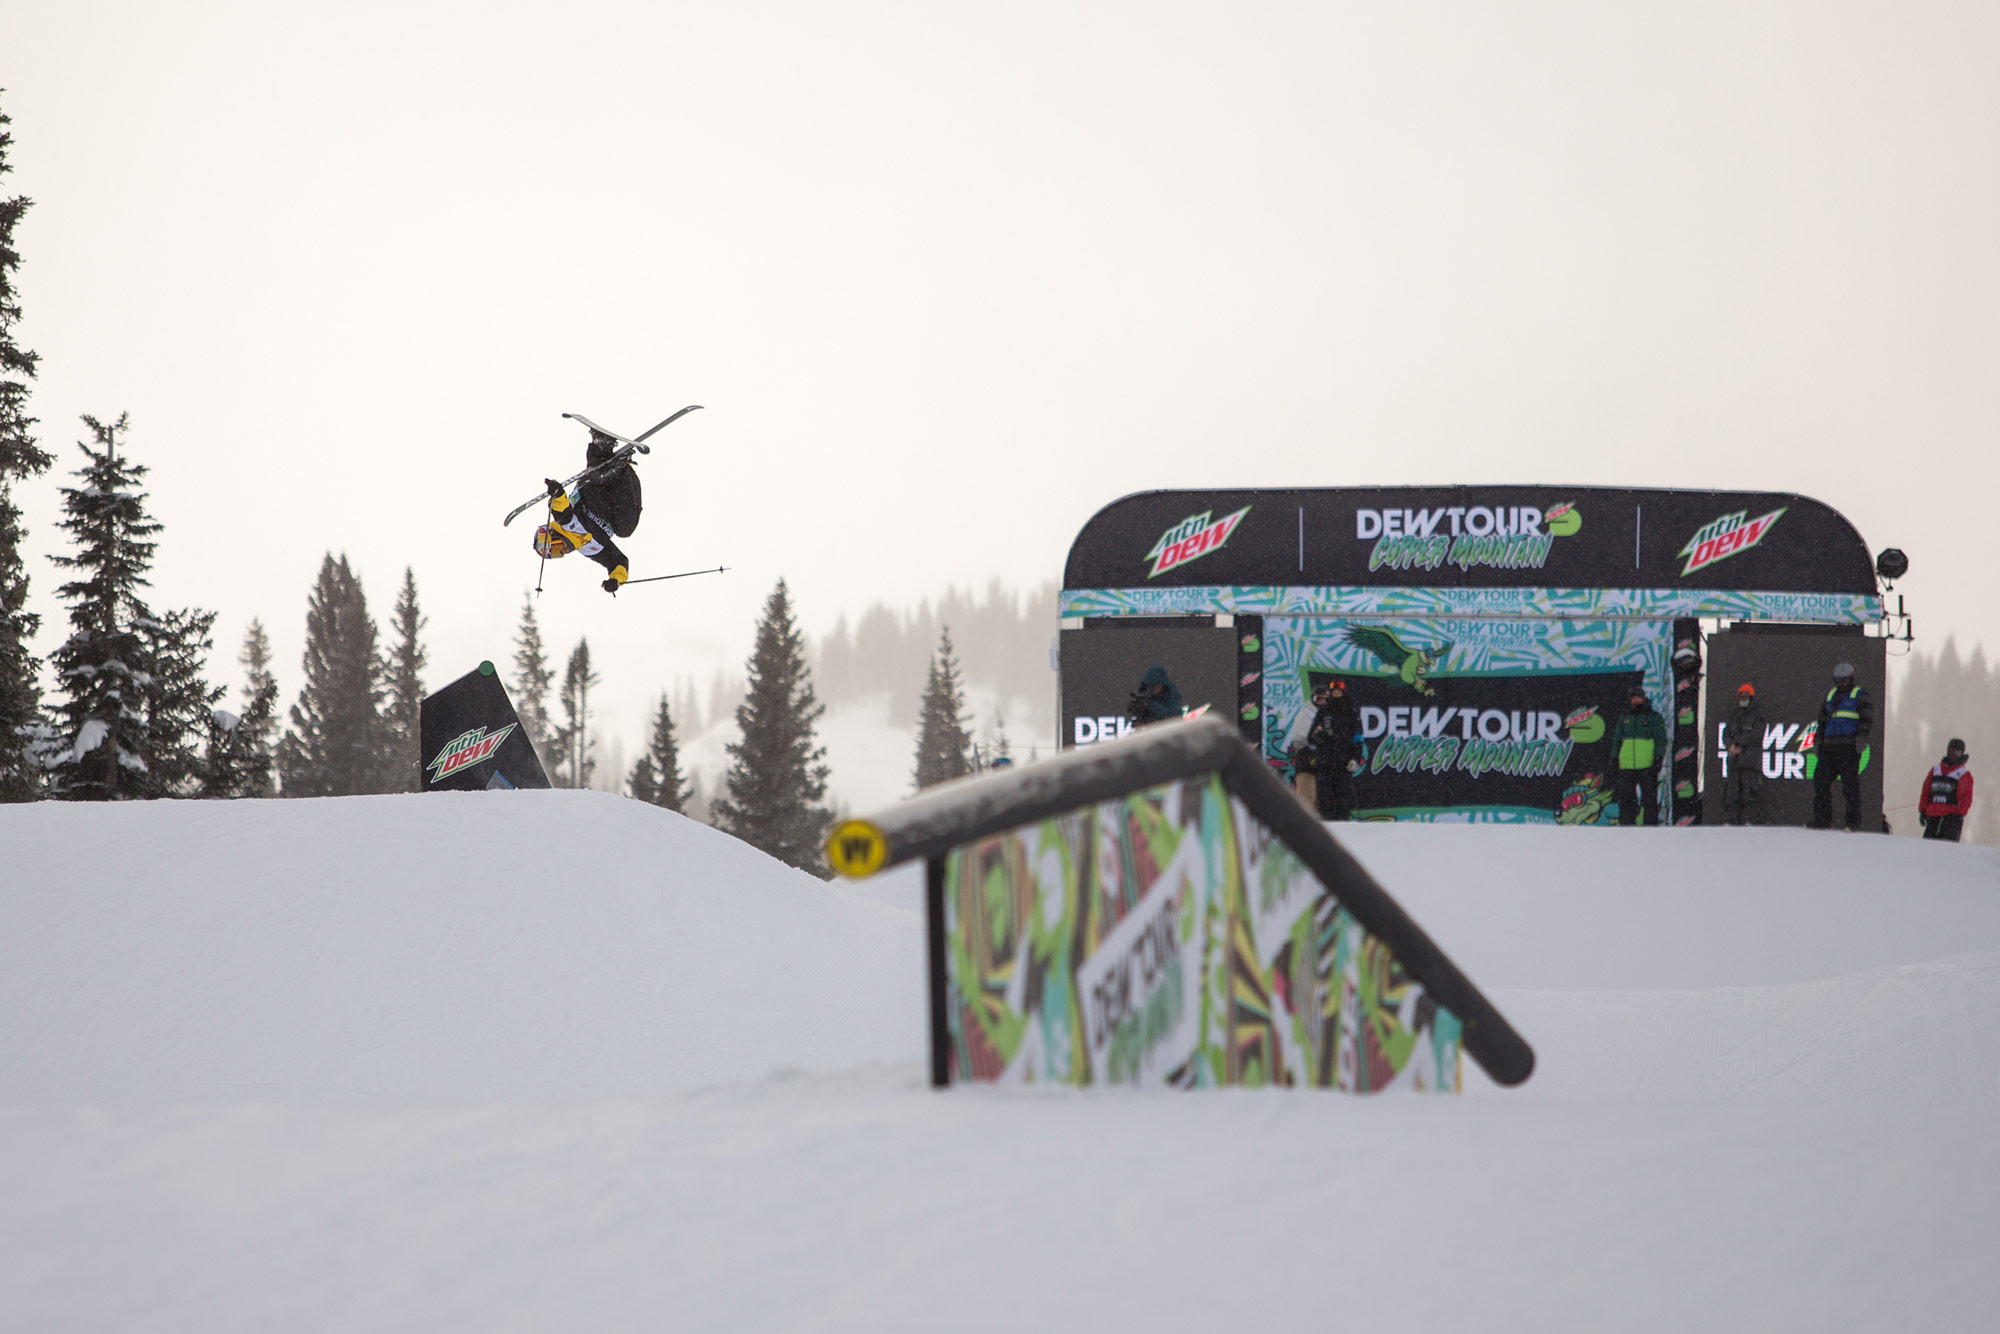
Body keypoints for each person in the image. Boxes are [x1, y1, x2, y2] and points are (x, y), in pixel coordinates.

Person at [531, 431, 644, 594]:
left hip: (596, 485)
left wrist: (557, 494)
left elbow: (560, 510)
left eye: (555, 548)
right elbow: (618, 561)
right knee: (625, 530)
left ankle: (601, 447)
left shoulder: (566, 522)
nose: (562, 551)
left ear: (554, 535)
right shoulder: (591, 548)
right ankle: (619, 467)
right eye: (557, 555)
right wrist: (615, 580)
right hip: (619, 493)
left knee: (593, 486)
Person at [1810, 662, 1873, 831]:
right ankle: (1822, 820)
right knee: (1820, 780)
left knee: (1850, 785)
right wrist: (1818, 740)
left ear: (1851, 679)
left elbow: (1866, 717)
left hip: (1849, 747)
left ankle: (1852, 822)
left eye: (1844, 680)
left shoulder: (1859, 694)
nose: (1841, 683)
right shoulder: (1830, 695)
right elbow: (1822, 721)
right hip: (1830, 747)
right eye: (1838, 680)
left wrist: (1861, 737)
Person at [1300, 679, 1365, 821]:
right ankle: (1327, 823)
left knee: (1343, 796)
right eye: (1334, 692)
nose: (1336, 694)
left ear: (1343, 693)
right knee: (1325, 797)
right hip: (1325, 762)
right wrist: (1318, 736)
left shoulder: (1351, 712)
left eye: (1339, 692)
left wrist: (1355, 758)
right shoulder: (1324, 711)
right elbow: (1311, 737)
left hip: (1344, 762)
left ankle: (1343, 823)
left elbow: (1358, 738)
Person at [1611, 683, 1667, 826]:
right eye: (1633, 698)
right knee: (1626, 798)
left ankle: (1650, 826)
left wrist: (1658, 757)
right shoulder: (1624, 717)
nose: (1636, 701)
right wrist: (1614, 757)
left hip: (1647, 764)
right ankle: (1626, 825)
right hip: (1627, 764)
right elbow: (1617, 739)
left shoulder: (1653, 717)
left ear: (1644, 698)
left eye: (1638, 698)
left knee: (1649, 799)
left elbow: (1661, 739)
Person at [1722, 682, 1765, 825]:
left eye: (1746, 695)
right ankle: (1731, 820)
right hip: (1734, 762)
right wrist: (1731, 745)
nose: (1743, 698)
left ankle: (1749, 821)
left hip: (1750, 762)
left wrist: (1739, 744)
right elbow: (1726, 733)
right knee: (1732, 794)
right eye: (1741, 695)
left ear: (1751, 697)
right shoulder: (1734, 714)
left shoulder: (1757, 715)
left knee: (1749, 793)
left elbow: (1756, 735)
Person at [1918, 739, 1974, 842]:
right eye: (1950, 751)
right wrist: (1922, 810)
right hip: (1933, 817)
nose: (1952, 754)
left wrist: (1958, 814)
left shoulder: (1963, 774)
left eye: (1956, 752)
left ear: (1961, 754)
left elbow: (1966, 798)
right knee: (1926, 850)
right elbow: (1926, 791)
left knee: (1946, 851)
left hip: (1950, 819)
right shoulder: (1935, 770)